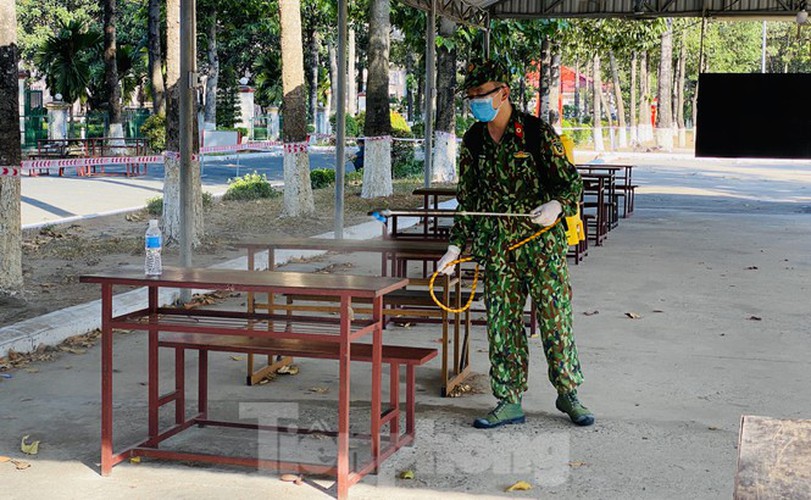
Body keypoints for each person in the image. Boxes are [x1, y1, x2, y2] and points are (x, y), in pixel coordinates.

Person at [437, 58, 594, 428]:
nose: (475, 102)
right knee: (502, 324)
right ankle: (508, 400)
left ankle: (569, 393)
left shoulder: (537, 133)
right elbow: (469, 198)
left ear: (503, 92)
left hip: (541, 247)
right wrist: (455, 247)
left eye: (481, 94)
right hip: (498, 250)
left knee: (556, 320)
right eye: (471, 96)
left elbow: (570, 184)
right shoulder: (474, 140)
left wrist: (557, 205)